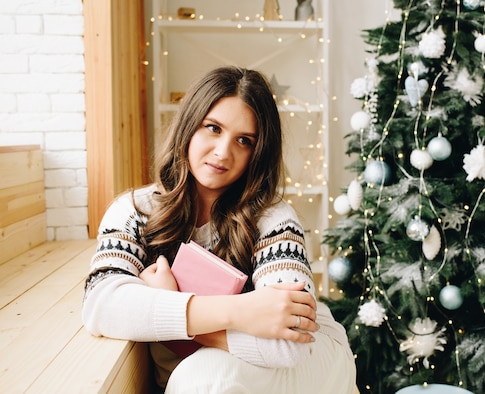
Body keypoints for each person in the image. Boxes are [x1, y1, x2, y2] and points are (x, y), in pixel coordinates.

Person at [82, 66, 357, 393]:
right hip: (219, 375)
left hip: (311, 364)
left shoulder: (273, 219)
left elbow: (290, 345)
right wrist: (244, 311)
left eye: (244, 141)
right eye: (213, 128)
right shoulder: (134, 211)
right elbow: (100, 305)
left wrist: (170, 308)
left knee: (201, 376)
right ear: (188, 126)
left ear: (257, 153)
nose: (223, 152)